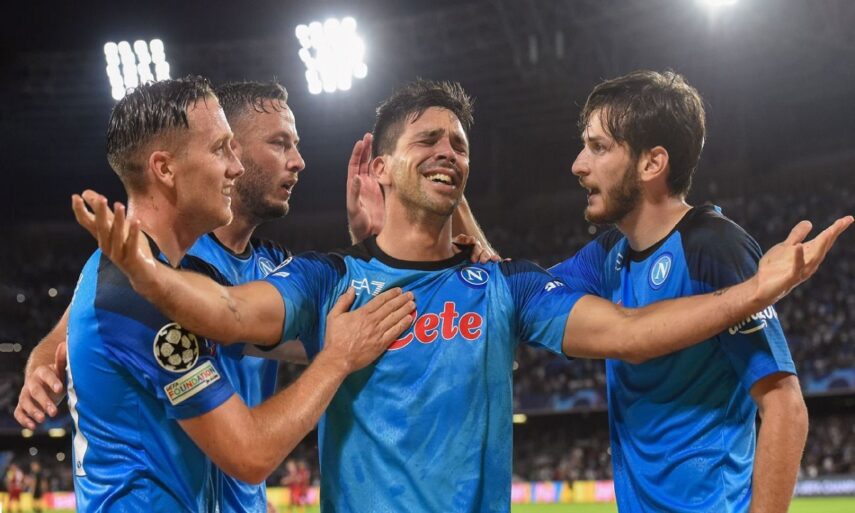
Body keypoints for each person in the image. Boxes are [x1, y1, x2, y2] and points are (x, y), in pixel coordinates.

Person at [72, 79, 850, 512]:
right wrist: (144, 272)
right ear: (380, 167)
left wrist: (755, 288)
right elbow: (228, 313)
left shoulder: (506, 287)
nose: (447, 151)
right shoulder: (330, 281)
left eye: (459, 144)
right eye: (427, 140)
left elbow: (629, 330)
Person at [61, 76, 415, 512]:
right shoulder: (138, 294)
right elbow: (250, 454)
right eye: (220, 149)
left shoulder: (155, 278)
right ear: (165, 169)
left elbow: (350, 331)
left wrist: (374, 249)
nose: (235, 167)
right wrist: (336, 359)